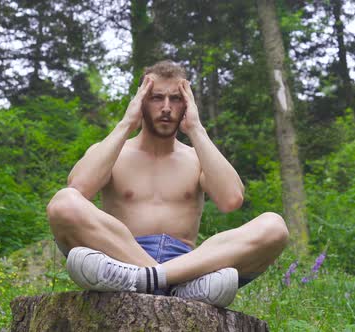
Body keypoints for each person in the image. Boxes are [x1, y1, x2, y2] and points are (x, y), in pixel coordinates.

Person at [47, 60, 289, 308]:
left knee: (275, 227)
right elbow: (78, 188)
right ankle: (173, 287)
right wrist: (126, 124)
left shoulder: (197, 158)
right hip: (120, 258)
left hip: (189, 263)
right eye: (156, 98)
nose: (166, 107)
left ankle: (151, 279)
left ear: (187, 105)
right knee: (63, 202)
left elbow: (231, 200)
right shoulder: (111, 151)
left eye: (175, 99)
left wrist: (196, 128)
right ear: (140, 102)